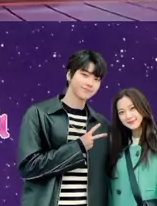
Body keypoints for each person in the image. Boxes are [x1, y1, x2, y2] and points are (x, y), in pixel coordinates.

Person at [18, 49, 109, 206]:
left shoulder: (100, 124)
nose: (90, 83)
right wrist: (78, 147)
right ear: (69, 75)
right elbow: (28, 167)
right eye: (84, 75)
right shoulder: (39, 114)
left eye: (96, 79)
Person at [109, 87, 157, 206]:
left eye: (132, 108)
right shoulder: (117, 145)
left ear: (143, 107)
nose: (128, 116)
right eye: (121, 112)